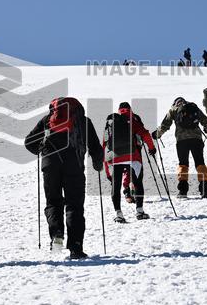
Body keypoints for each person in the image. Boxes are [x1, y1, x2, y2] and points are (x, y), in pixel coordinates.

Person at [25, 97, 104, 259]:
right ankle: (75, 247)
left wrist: (41, 149)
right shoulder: (83, 121)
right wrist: (97, 165)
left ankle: (56, 235)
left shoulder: (47, 120)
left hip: (50, 165)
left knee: (53, 201)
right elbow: (96, 147)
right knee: (74, 205)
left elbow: (29, 143)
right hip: (74, 165)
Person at [102, 102, 155, 223]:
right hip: (133, 157)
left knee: (115, 186)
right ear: (130, 109)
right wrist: (152, 148)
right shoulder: (132, 120)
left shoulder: (111, 123)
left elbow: (104, 145)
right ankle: (140, 211)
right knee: (137, 182)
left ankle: (119, 214)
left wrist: (107, 171)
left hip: (115, 159)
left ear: (119, 110)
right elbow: (145, 134)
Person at [153, 97, 207, 198]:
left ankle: (182, 191)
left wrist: (157, 134)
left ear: (175, 103)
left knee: (183, 164)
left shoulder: (173, 110)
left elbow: (165, 124)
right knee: (200, 162)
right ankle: (205, 189)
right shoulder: (193, 107)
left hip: (181, 141)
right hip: (196, 139)